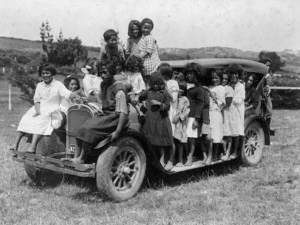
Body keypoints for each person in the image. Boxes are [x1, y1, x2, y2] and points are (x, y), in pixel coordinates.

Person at [63, 60, 130, 164]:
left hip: (115, 118)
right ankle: (75, 157)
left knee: (89, 130)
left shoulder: (119, 88)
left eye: (105, 72)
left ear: (112, 72)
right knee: (82, 128)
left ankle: (82, 159)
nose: (103, 75)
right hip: (106, 115)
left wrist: (117, 131)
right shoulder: (104, 84)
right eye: (101, 72)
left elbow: (123, 112)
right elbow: (100, 100)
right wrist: (86, 99)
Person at [10, 64, 80, 153]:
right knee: (26, 118)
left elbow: (67, 93)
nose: (45, 75)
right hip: (40, 107)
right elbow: (36, 99)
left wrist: (76, 96)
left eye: (47, 73)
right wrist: (37, 110)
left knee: (41, 120)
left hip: (52, 108)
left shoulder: (58, 85)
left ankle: (33, 146)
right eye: (43, 73)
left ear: (52, 73)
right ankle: (15, 144)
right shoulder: (40, 85)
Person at [138, 73, 174, 170]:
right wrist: (142, 101)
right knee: (151, 142)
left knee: (161, 143)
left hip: (160, 120)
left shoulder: (164, 93)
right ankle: (152, 161)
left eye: (157, 84)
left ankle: (162, 161)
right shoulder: (149, 91)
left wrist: (159, 104)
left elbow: (167, 106)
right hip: (150, 120)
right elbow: (140, 96)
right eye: (153, 84)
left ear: (161, 83)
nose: (155, 86)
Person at [184, 63, 210, 166]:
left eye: (191, 74)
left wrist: (196, 119)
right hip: (186, 115)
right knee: (187, 137)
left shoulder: (198, 89)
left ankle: (190, 158)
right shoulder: (188, 87)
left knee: (192, 138)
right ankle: (190, 156)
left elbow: (200, 104)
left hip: (193, 116)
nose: (189, 76)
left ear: (196, 75)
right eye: (188, 73)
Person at [203, 70, 225, 165]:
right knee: (209, 136)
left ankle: (213, 155)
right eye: (212, 78)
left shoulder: (221, 88)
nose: (214, 79)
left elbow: (219, 103)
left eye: (216, 78)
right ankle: (211, 154)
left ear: (220, 78)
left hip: (216, 113)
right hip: (208, 112)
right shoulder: (210, 87)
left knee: (214, 136)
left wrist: (209, 91)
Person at [227, 64, 245, 158]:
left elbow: (238, 100)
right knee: (229, 130)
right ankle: (228, 151)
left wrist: (229, 98)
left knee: (236, 130)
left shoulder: (240, 86)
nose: (234, 76)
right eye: (232, 74)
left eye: (236, 74)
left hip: (237, 110)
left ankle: (235, 151)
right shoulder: (228, 84)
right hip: (229, 109)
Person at [137, 18, 161, 85]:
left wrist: (140, 56)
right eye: (144, 28)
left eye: (149, 28)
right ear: (141, 27)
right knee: (147, 80)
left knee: (152, 79)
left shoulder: (149, 37)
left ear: (151, 29)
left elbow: (149, 50)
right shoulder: (143, 37)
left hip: (151, 62)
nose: (146, 30)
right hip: (146, 63)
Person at [173, 82, 190, 167]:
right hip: (173, 122)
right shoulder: (173, 98)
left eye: (183, 89)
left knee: (180, 141)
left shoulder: (185, 99)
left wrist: (179, 117)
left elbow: (186, 111)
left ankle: (181, 159)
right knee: (173, 140)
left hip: (180, 123)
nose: (181, 91)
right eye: (179, 88)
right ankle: (173, 159)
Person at [220, 73, 235, 161]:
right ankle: (222, 151)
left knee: (228, 133)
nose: (224, 80)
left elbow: (228, 102)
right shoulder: (218, 87)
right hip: (218, 112)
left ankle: (228, 152)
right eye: (223, 78)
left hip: (226, 112)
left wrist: (219, 107)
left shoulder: (229, 89)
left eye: (226, 79)